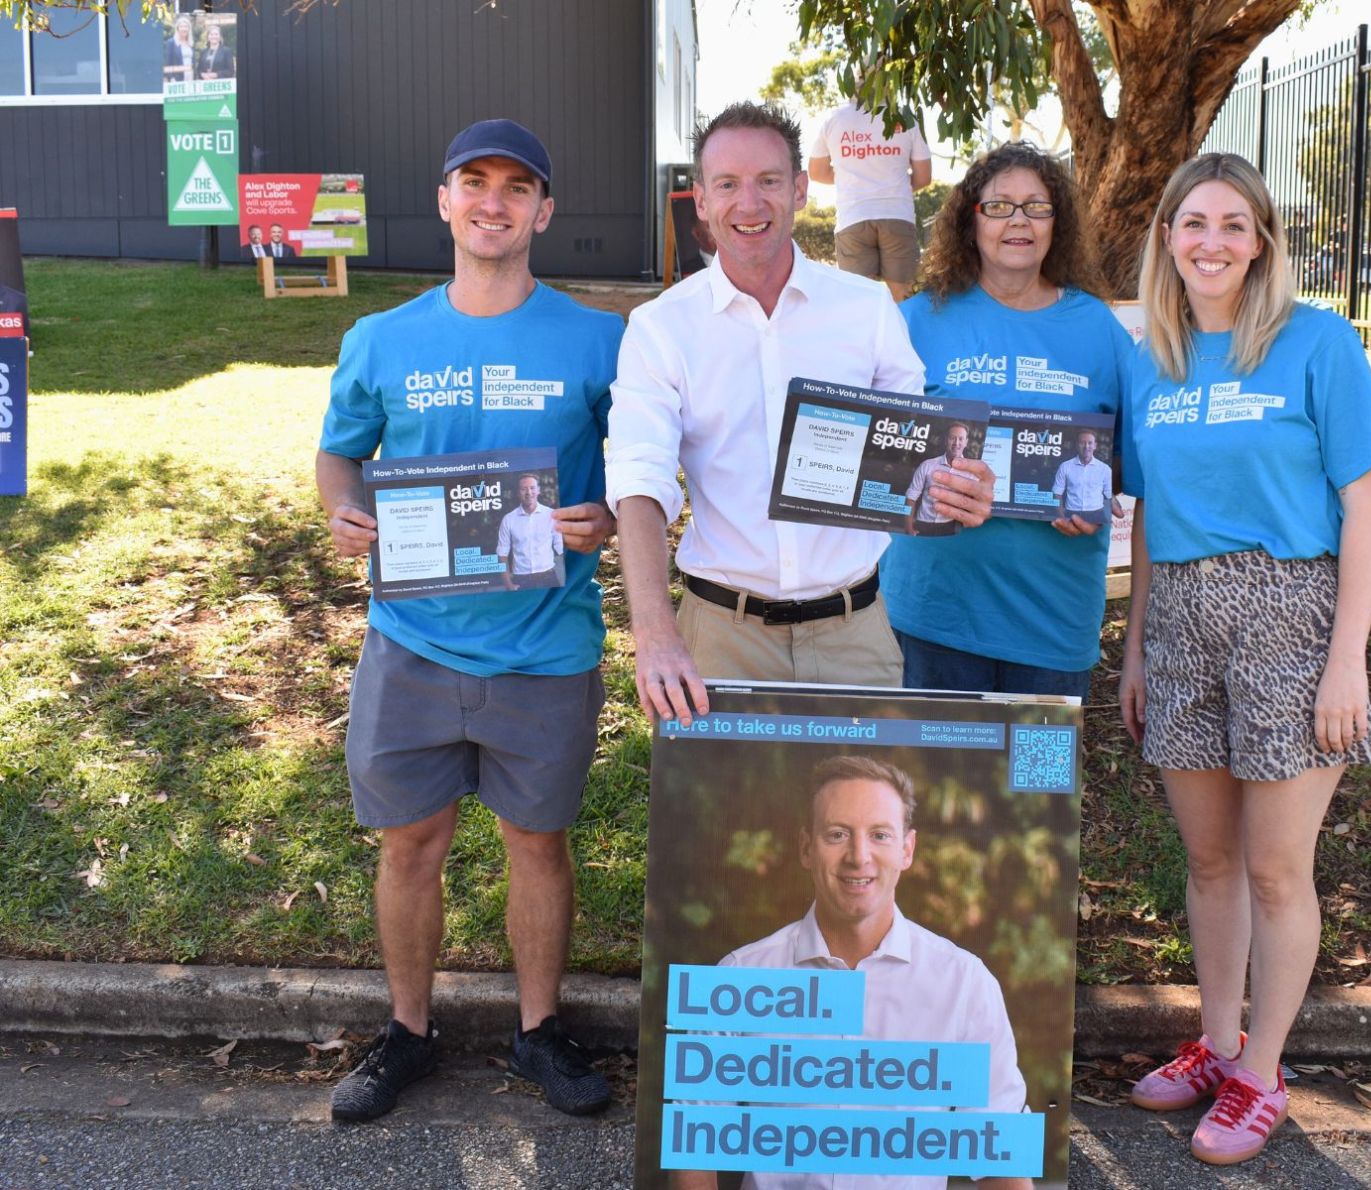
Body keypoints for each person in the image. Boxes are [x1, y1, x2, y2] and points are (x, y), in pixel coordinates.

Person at [315, 118, 624, 1124]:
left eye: (517, 185)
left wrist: (609, 512)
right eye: (474, 182)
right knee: (410, 844)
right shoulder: (383, 338)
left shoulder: (596, 338)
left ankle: (539, 1033)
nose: (495, 201)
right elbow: (340, 451)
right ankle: (408, 1030)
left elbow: (643, 469)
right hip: (412, 644)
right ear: (446, 201)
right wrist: (341, 509)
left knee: (539, 844)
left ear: (544, 210)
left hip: (546, 646)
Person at [1118, 153, 1371, 1166]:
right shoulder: (1149, 355)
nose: (1213, 242)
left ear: (1264, 240)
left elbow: (1367, 505)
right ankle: (1220, 1039)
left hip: (1293, 607)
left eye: (1235, 225)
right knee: (1208, 858)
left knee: (1279, 867)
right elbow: (1147, 510)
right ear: (1167, 235)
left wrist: (1347, 661)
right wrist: (1138, 647)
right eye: (1195, 222)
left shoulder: (1317, 342)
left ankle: (1263, 1069)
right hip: (1182, 615)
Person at [608, 101, 993, 724]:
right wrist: (653, 632)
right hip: (719, 639)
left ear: (802, 189)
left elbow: (913, 463)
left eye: (769, 181)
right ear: (701, 200)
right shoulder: (660, 328)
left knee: (864, 820)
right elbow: (639, 475)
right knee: (727, 825)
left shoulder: (866, 308)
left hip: (855, 634)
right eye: (727, 184)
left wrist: (955, 493)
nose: (750, 203)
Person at [671, 756, 1031, 1190]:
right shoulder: (739, 977)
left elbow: (1001, 1163)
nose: (858, 857)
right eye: (837, 834)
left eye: (879, 835)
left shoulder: (966, 984)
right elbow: (694, 1157)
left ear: (906, 850)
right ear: (806, 847)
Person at [880, 142, 1132, 700]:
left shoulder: (1100, 330)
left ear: (1056, 222)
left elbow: (1126, 466)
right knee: (935, 786)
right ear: (970, 220)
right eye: (999, 206)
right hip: (932, 615)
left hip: (1052, 622)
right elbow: (876, 458)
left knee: (1036, 787)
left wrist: (1092, 498)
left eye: (1036, 206)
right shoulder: (916, 321)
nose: (1018, 220)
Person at [810, 98, 932, 302]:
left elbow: (816, 172)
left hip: (853, 218)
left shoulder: (835, 118)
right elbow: (923, 177)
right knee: (905, 299)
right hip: (897, 215)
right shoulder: (904, 117)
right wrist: (891, 184)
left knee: (859, 300)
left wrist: (850, 179)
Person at [902, 422, 971, 536]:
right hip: (923, 524)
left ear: (966, 442)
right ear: (945, 440)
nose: (956, 443)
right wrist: (909, 529)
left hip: (951, 527)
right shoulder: (927, 465)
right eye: (952, 438)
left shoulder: (971, 473)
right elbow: (911, 497)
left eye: (960, 439)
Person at [497, 473, 564, 590]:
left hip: (549, 577)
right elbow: (502, 555)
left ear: (538, 490)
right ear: (518, 493)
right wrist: (508, 585)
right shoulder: (508, 519)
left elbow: (561, 549)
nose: (529, 493)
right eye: (524, 489)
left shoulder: (551, 515)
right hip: (521, 580)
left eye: (532, 488)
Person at [1050, 429, 1117, 525]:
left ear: (1095, 446)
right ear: (1077, 445)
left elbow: (1109, 496)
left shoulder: (1105, 469)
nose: (1086, 446)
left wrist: (1108, 518)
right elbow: (1057, 494)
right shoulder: (1065, 466)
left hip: (1097, 514)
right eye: (1082, 443)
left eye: (1090, 443)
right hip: (1071, 513)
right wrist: (1062, 517)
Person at [162, 14, 194, 83]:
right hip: (176, 79)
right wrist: (171, 78)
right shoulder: (171, 42)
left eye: (186, 27)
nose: (184, 29)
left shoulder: (190, 43)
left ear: (189, 29)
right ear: (177, 28)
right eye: (181, 26)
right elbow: (168, 63)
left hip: (190, 77)